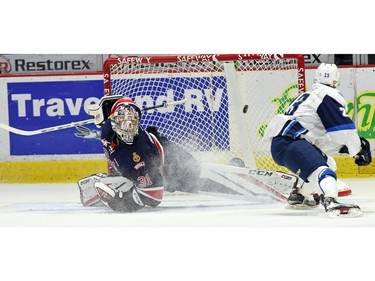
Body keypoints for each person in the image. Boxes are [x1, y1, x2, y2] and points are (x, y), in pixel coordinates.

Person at [264, 63, 371, 216]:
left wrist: (343, 148)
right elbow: (344, 131)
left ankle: (299, 196)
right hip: (291, 142)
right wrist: (357, 149)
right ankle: (331, 200)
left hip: (286, 142)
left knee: (329, 163)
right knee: (323, 171)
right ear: (336, 80)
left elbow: (316, 139)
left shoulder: (311, 95)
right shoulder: (328, 95)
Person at [94, 97, 165, 212]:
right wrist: (99, 114)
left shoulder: (140, 156)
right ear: (114, 122)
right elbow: (123, 101)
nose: (128, 128)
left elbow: (153, 198)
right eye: (122, 121)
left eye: (132, 122)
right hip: (143, 162)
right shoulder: (108, 128)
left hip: (169, 164)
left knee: (194, 179)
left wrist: (116, 202)